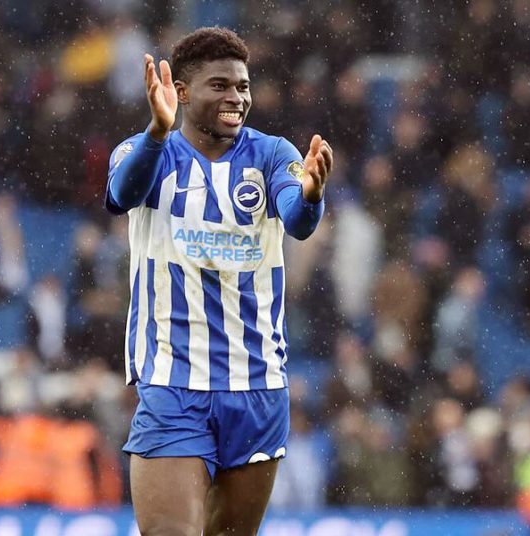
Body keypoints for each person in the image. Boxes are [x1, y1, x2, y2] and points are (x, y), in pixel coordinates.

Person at [105, 27, 333, 535]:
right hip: (173, 381)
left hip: (256, 385)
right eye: (220, 86)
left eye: (243, 87)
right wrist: (157, 133)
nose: (236, 97)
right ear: (182, 92)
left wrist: (312, 195)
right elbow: (122, 194)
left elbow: (297, 220)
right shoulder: (145, 151)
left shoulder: (272, 154)